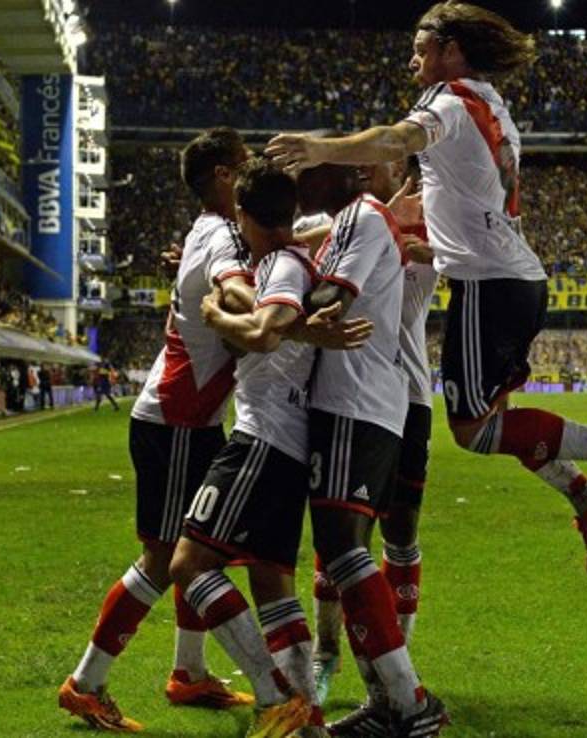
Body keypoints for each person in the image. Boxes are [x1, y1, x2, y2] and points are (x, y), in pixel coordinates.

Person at [266, 1, 587, 576]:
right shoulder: (492, 106)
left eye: (420, 49)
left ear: (451, 51)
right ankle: (585, 496)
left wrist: (321, 148)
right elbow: (445, 203)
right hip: (512, 279)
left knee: (475, 430)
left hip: (488, 285)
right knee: (500, 417)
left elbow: (395, 139)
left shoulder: (447, 103)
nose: (412, 61)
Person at [59, 128, 261, 733]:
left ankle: (189, 673)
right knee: (163, 558)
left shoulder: (211, 229)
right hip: (175, 421)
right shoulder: (223, 236)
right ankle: (85, 684)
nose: (252, 170)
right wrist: (273, 312)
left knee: (202, 548)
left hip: (192, 421)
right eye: (245, 163)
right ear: (224, 175)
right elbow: (234, 291)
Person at [169, 159, 364, 738]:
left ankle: (275, 695)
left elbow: (263, 332)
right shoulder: (292, 257)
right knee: (272, 582)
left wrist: (212, 314)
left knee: (189, 565)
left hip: (263, 437)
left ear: (244, 215)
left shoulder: (279, 263)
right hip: (288, 442)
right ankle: (307, 720)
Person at [308, 157, 438, 711]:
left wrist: (427, 239)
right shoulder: (349, 222)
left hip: (408, 396)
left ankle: (396, 660)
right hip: (355, 389)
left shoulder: (433, 231)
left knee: (399, 531)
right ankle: (326, 651)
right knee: (341, 533)